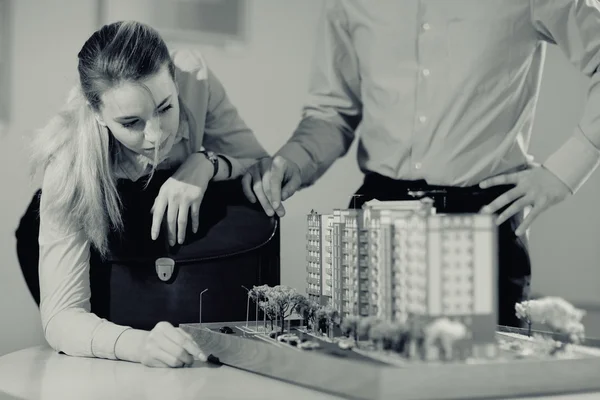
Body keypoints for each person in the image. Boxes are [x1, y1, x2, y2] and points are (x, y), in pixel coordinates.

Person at [242, 0, 600, 327]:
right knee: (369, 377)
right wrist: (294, 161)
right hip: (378, 218)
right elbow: (333, 111)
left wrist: (563, 172)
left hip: (482, 220)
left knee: (481, 384)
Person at [32, 21, 269, 367]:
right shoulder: (67, 162)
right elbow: (61, 317)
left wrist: (205, 164)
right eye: (132, 123)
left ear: (174, 79)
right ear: (97, 115)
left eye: (165, 108)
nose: (157, 136)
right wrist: (138, 344)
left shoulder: (195, 79)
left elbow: (260, 163)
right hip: (75, 230)